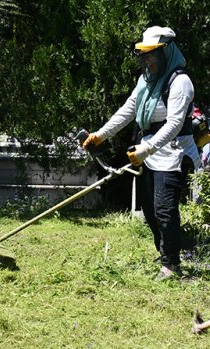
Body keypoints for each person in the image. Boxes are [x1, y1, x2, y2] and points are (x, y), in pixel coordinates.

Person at [82, 26, 197, 279]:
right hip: (150, 151)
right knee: (148, 208)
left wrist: (145, 149)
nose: (146, 60)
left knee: (164, 208)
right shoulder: (146, 80)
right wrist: (100, 135)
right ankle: (164, 253)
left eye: (151, 54)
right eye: (144, 55)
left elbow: (174, 124)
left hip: (174, 152)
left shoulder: (180, 81)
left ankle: (171, 264)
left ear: (166, 52)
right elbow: (129, 109)